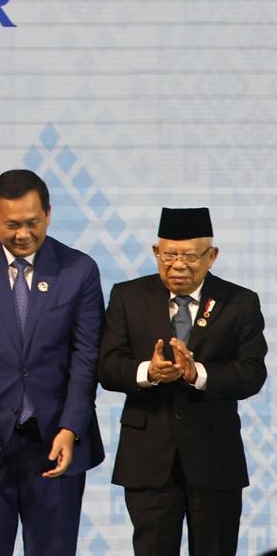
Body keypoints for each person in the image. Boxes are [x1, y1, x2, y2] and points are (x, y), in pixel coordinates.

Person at [0, 168, 104, 556]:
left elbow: (86, 357)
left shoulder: (79, 270)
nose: (23, 234)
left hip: (55, 445)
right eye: (12, 224)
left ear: (48, 213)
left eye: (33, 222)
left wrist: (70, 429)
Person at [97, 206, 267, 556]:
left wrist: (198, 374)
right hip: (148, 459)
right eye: (169, 254)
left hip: (214, 459)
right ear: (156, 252)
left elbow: (252, 373)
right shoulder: (127, 297)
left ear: (212, 255)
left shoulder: (240, 302)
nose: (178, 265)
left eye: (190, 256)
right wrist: (148, 372)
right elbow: (107, 366)